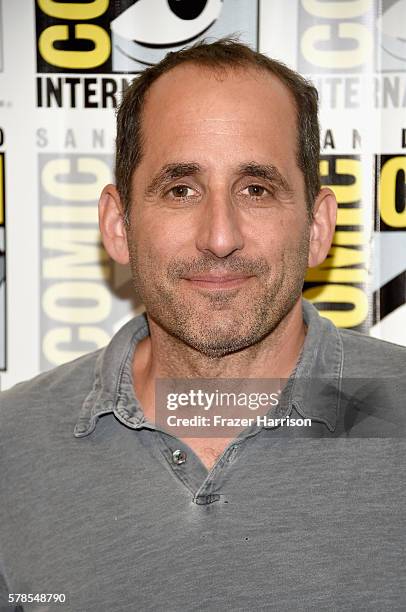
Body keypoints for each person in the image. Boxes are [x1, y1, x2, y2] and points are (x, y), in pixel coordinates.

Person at [1, 38, 405, 611]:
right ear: (119, 224)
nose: (220, 237)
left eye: (257, 190)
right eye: (181, 190)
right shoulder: (9, 445)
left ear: (317, 227)